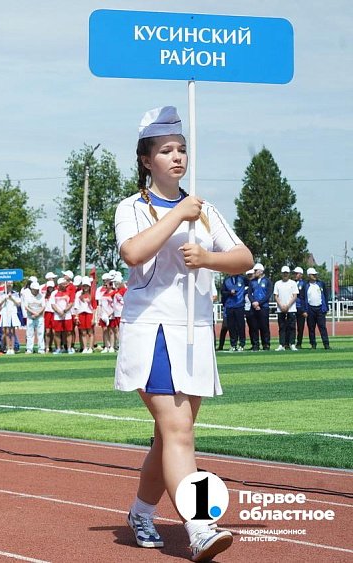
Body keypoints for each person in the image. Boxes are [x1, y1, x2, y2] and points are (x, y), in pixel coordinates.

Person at [115, 106, 252, 562]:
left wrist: (207, 258)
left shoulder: (204, 209)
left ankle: (140, 511)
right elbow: (134, 252)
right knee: (178, 432)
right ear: (146, 160)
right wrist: (176, 217)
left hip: (195, 331)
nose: (177, 158)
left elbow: (243, 257)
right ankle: (199, 526)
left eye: (181, 150)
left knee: (169, 435)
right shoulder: (132, 208)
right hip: (153, 329)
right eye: (166, 151)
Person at [300, 268, 330, 350]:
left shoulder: (321, 284)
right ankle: (313, 344)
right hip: (310, 309)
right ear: (309, 275)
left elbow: (326, 296)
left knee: (322, 327)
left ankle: (326, 344)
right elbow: (302, 299)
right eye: (313, 275)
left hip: (320, 308)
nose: (315, 276)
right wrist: (304, 310)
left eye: (315, 274)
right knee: (311, 328)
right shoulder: (305, 286)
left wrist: (326, 307)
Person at [220, 272, 248, 352]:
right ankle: (233, 344)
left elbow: (251, 285)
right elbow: (222, 292)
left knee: (241, 326)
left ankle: (242, 344)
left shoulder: (242, 278)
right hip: (229, 306)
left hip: (239, 305)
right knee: (231, 326)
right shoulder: (226, 280)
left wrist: (244, 293)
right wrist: (229, 292)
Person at [272, 266, 298, 351]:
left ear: (289, 273)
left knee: (292, 327)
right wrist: (281, 305)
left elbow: (295, 296)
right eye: (284, 273)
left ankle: (292, 344)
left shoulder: (293, 283)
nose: (285, 274)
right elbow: (276, 296)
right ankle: (282, 344)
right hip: (280, 309)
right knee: (282, 327)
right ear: (281, 273)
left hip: (291, 309)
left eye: (286, 273)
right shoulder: (277, 283)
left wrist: (288, 305)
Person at [247, 263, 271, 351]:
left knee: (264, 326)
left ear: (261, 271)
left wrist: (259, 303)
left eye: (256, 270)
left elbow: (268, 295)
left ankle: (266, 344)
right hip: (253, 307)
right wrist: (253, 302)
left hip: (263, 307)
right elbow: (249, 293)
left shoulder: (267, 281)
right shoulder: (252, 282)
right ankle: (255, 344)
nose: (254, 272)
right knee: (254, 327)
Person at [0, 281, 21, 355]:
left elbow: (18, 304)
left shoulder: (15, 294)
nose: (10, 285)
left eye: (11, 283)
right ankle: (7, 348)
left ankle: (12, 348)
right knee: (5, 332)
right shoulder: (2, 294)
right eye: (9, 283)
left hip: (12, 313)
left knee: (12, 332)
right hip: (4, 313)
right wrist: (4, 299)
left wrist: (11, 298)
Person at [21, 281, 45, 354]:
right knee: (30, 334)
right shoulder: (27, 296)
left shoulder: (41, 296)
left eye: (37, 290)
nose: (37, 291)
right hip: (30, 316)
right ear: (32, 289)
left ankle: (41, 349)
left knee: (40, 333)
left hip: (39, 317)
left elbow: (43, 306)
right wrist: (34, 313)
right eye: (35, 290)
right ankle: (29, 349)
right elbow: (26, 306)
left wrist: (38, 313)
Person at [292, 266, 306, 348]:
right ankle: (291, 342)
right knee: (291, 326)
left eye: (296, 273)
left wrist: (304, 309)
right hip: (292, 307)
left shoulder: (304, 284)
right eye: (294, 273)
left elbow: (304, 297)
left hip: (300, 308)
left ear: (301, 274)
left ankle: (299, 343)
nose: (295, 275)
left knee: (300, 327)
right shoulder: (291, 282)